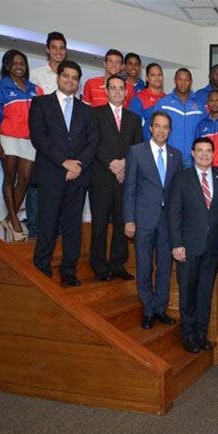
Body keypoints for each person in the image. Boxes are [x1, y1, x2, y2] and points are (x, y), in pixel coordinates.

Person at [29, 60, 98, 286]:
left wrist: (77, 165)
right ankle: (41, 269)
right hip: (51, 174)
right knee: (48, 223)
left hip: (78, 176)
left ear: (79, 83)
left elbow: (92, 142)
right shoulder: (40, 104)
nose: (70, 80)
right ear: (58, 77)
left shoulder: (87, 111)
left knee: (72, 226)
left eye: (74, 78)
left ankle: (69, 271)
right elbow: (39, 138)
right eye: (66, 76)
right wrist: (63, 162)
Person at [167, 137, 218, 353]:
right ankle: (188, 335)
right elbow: (174, 213)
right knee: (188, 292)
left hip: (213, 247)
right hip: (187, 246)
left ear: (214, 154)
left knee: (205, 292)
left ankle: (201, 333)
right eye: (200, 151)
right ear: (193, 153)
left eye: (208, 151)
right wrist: (176, 244)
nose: (204, 154)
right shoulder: (181, 179)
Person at [123, 111, 181, 328]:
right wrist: (128, 219)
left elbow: (176, 192)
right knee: (144, 266)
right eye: (157, 126)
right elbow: (129, 188)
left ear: (170, 130)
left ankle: (160, 308)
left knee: (165, 268)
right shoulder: (136, 152)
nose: (161, 130)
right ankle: (148, 310)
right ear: (150, 128)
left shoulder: (175, 155)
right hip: (143, 219)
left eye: (165, 127)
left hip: (167, 223)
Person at [90, 75, 143, 281]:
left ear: (126, 91)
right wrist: (112, 163)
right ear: (106, 91)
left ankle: (118, 265)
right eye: (113, 88)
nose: (118, 92)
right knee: (100, 225)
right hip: (101, 177)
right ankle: (100, 267)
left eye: (121, 88)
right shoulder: (94, 114)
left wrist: (124, 163)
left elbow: (137, 146)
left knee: (123, 223)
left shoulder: (134, 118)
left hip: (125, 179)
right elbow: (93, 142)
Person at [0, 49, 43, 241]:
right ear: (7, 66)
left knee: (25, 179)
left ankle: (8, 219)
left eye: (22, 63)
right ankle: (14, 221)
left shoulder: (35, 89)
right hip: (8, 137)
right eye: (15, 63)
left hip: (30, 140)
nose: (19, 67)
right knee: (10, 179)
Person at [28, 31, 67, 240]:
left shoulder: (69, 75)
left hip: (63, 142)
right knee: (37, 183)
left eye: (62, 48)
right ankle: (34, 227)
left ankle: (57, 227)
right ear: (47, 50)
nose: (58, 51)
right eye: (54, 48)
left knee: (61, 184)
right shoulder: (36, 75)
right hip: (42, 139)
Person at [153, 68, 204, 168]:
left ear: (191, 82)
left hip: (193, 159)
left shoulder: (199, 106)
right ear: (175, 81)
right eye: (180, 79)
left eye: (186, 80)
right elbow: (154, 130)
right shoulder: (164, 103)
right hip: (169, 157)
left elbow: (203, 132)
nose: (183, 83)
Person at [129, 63, 165, 141]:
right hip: (144, 146)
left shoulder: (168, 99)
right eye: (153, 75)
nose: (157, 78)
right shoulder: (138, 98)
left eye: (159, 75)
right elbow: (132, 128)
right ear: (147, 78)